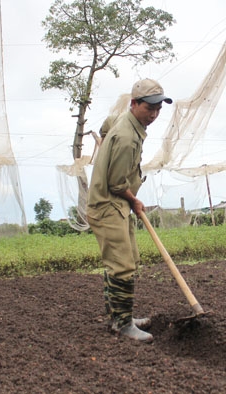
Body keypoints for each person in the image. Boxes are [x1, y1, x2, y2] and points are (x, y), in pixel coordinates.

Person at [87, 78, 172, 342]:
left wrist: (105, 144)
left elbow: (106, 125)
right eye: (149, 108)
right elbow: (115, 183)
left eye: (159, 109)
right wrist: (134, 200)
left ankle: (118, 315)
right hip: (108, 204)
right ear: (134, 104)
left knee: (126, 260)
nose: (154, 114)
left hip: (117, 205)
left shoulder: (124, 123)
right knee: (122, 265)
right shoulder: (126, 138)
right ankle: (122, 324)